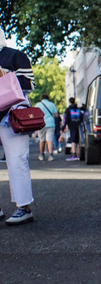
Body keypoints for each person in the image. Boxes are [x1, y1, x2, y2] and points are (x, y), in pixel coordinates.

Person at [0, 27, 36, 225]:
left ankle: (24, 207)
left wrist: (5, 74)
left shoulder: (15, 56)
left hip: (11, 116)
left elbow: (28, 83)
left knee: (17, 161)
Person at [35, 94, 59, 161]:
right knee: (50, 140)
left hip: (41, 124)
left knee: (42, 140)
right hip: (50, 124)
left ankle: (42, 154)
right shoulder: (52, 104)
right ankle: (51, 155)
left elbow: (35, 115)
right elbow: (56, 115)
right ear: (48, 98)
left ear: (41, 99)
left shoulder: (38, 105)